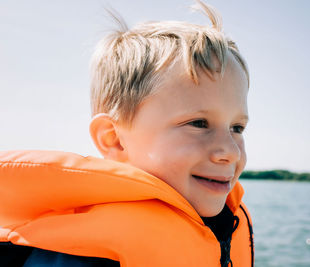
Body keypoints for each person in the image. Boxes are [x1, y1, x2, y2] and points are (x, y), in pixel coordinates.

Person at [0, 1, 254, 266]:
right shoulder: (87, 255)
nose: (230, 151)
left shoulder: (227, 222)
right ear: (115, 139)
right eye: (199, 123)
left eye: (237, 128)